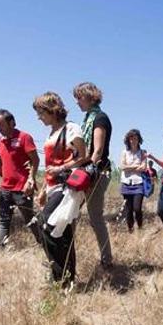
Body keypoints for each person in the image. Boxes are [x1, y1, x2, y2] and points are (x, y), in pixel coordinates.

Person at [33, 92, 88, 286]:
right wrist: (42, 191)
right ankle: (64, 277)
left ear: (52, 110)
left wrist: (61, 168)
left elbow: (83, 156)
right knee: (61, 231)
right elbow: (49, 165)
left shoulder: (71, 128)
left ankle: (62, 276)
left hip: (68, 186)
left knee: (46, 224)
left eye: (41, 113)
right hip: (53, 186)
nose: (39, 118)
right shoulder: (52, 133)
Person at [0, 109, 40, 248]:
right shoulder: (0, 142)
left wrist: (31, 180)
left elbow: (35, 160)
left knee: (30, 220)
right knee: (4, 221)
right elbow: (2, 165)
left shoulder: (24, 137)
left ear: (11, 123)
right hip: (5, 189)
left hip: (22, 188)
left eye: (1, 125)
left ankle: (45, 244)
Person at [73, 82, 113, 269]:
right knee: (70, 212)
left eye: (79, 97)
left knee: (95, 217)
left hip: (97, 174)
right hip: (84, 170)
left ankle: (107, 260)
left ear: (90, 97)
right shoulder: (88, 119)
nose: (77, 102)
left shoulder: (100, 119)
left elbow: (97, 151)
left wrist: (88, 171)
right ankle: (64, 252)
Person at [119, 129, 148, 232]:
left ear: (139, 139)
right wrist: (136, 165)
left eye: (135, 138)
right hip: (126, 183)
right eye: (131, 138)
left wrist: (129, 167)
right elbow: (122, 166)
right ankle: (130, 229)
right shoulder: (124, 152)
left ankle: (140, 227)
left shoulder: (143, 152)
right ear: (128, 140)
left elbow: (143, 167)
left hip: (138, 183)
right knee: (129, 210)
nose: (133, 140)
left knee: (137, 208)